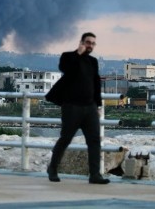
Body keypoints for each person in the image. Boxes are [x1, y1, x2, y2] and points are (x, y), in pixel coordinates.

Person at [45, 32, 110, 184]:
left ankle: (95, 175)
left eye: (93, 43)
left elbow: (96, 84)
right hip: (72, 107)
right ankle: (53, 168)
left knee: (94, 141)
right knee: (65, 138)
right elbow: (67, 70)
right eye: (88, 42)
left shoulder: (93, 61)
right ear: (81, 42)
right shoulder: (68, 57)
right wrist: (78, 54)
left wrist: (98, 106)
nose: (91, 46)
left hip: (90, 108)